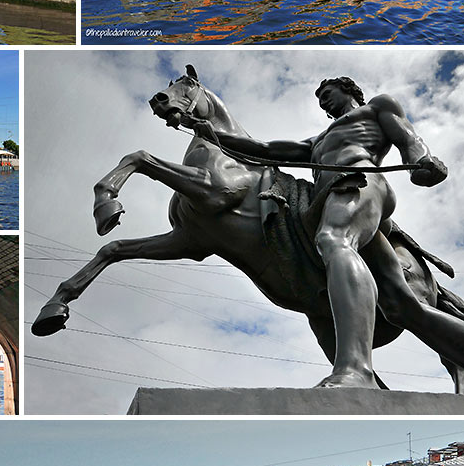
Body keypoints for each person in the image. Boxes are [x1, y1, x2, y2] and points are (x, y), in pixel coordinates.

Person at [195, 76, 464, 387]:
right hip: (333, 199)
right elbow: (264, 148)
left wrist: (422, 161)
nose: (323, 101)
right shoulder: (317, 142)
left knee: (334, 240)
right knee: (399, 305)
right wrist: (212, 134)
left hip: (361, 182)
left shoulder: (376, 107)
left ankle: (357, 371)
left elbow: (409, 139)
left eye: (327, 93)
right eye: (319, 98)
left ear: (348, 90)